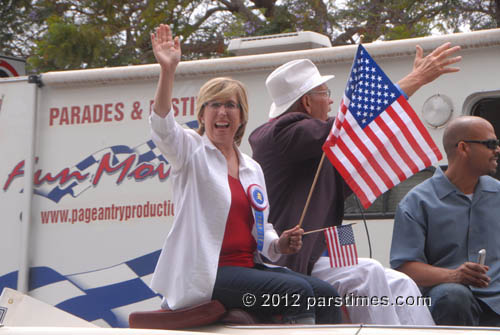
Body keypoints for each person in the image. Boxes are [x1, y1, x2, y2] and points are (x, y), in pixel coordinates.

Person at [249, 43, 462, 325]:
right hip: (291, 259)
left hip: (317, 253)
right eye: (325, 94)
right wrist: (416, 80)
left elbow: (355, 140)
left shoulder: (308, 140)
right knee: (369, 273)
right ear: (306, 102)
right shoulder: (281, 132)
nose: (331, 102)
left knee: (402, 284)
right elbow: (350, 125)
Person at [148, 24, 342, 324]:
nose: (222, 112)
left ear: (242, 117)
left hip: (250, 269)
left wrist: (280, 244)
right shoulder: (190, 152)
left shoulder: (252, 168)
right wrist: (168, 70)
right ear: (202, 114)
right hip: (208, 276)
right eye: (214, 105)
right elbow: (162, 125)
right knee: (296, 292)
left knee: (326, 293)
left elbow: (262, 233)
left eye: (231, 105)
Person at [390, 116, 500, 326]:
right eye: (490, 144)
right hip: (449, 301)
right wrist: (455, 275)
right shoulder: (417, 202)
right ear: (463, 148)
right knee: (453, 296)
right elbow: (404, 268)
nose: (497, 150)